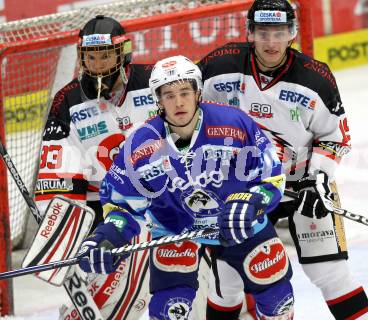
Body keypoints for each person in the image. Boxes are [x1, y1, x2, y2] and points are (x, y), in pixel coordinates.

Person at [77, 55, 295, 320]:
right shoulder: (140, 145)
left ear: (198, 92)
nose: (178, 102)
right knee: (169, 309)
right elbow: (122, 205)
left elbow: (272, 176)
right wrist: (107, 237)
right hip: (176, 229)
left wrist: (253, 201)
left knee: (278, 298)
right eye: (168, 95)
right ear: (157, 100)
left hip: (237, 221)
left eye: (184, 92)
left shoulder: (234, 123)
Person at [198, 0, 368, 319]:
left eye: (280, 33)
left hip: (302, 187)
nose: (271, 42)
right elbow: (183, 108)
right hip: (242, 191)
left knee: (330, 274)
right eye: (263, 33)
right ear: (250, 33)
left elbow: (335, 138)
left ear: (292, 33)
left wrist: (318, 181)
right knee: (228, 280)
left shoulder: (315, 79)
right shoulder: (218, 66)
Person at [34, 15, 157, 319]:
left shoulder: (155, 81)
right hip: (107, 210)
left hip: (165, 200)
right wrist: (62, 232)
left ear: (121, 53)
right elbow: (59, 175)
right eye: (91, 57)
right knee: (121, 293)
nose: (98, 64)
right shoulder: (69, 99)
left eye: (105, 56)